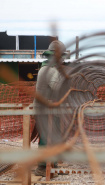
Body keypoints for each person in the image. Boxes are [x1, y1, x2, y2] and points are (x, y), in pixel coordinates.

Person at [34, 40, 67, 177]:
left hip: (51, 109)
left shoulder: (50, 68)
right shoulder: (49, 70)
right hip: (45, 111)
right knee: (46, 139)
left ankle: (52, 164)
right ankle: (42, 167)